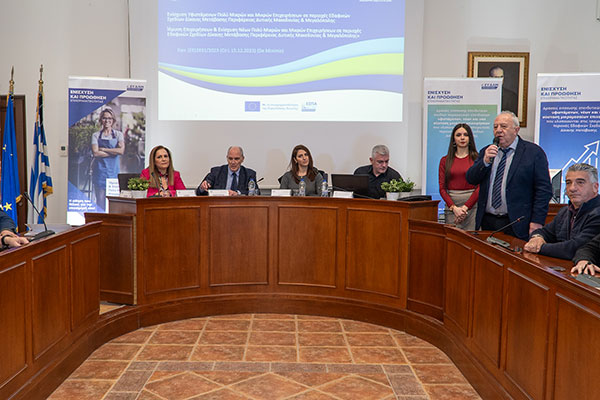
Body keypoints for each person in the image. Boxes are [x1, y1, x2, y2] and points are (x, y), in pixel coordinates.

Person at [466, 111, 552, 240]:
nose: (498, 130)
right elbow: (471, 179)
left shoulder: (533, 153)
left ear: (516, 130)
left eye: (504, 126)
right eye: (495, 127)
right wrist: (485, 162)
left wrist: (537, 221)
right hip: (488, 221)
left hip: (518, 223)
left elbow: (544, 190)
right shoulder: (487, 151)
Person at [524, 163, 600, 259]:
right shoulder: (565, 211)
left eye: (580, 182)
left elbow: (574, 249)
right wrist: (537, 237)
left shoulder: (597, 213)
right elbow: (545, 232)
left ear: (595, 187)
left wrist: (539, 248)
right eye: (568, 183)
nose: (572, 188)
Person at [438, 123, 479, 230]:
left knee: (472, 238)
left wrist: (465, 208)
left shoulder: (477, 159)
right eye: (458, 135)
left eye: (465, 135)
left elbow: (480, 187)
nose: (462, 138)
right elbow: (442, 188)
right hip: (452, 208)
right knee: (452, 238)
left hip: (472, 207)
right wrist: (454, 208)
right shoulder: (444, 161)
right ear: (453, 139)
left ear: (470, 138)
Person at [91, 108, 124, 210]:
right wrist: (114, 152)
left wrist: (104, 149)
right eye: (104, 118)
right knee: (100, 201)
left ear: (113, 120)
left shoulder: (118, 135)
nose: (107, 120)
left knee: (113, 202)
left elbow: (121, 151)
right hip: (100, 172)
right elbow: (96, 153)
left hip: (113, 172)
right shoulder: (96, 135)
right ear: (101, 120)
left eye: (109, 118)